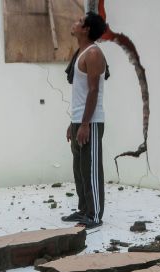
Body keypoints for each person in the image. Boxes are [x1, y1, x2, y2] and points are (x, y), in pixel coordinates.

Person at [61, 12, 107, 229]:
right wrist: (74, 123)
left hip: (92, 122)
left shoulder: (93, 53)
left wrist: (86, 123)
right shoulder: (81, 52)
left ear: (86, 29)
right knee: (80, 169)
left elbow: (93, 90)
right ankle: (83, 210)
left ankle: (95, 214)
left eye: (79, 21)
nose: (75, 23)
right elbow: (80, 94)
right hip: (80, 120)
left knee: (91, 168)